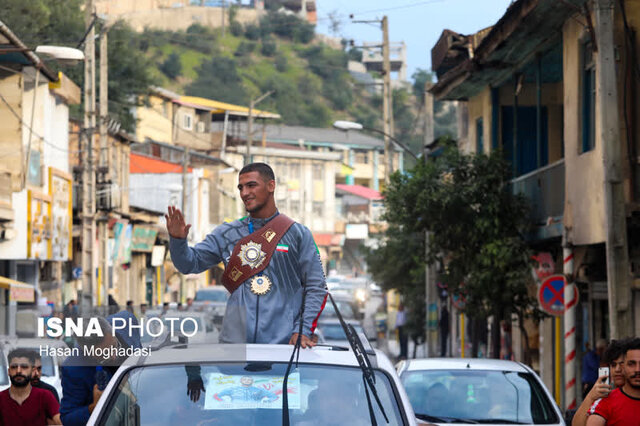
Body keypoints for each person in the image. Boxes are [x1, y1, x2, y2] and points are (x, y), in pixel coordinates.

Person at [167, 163, 327, 347]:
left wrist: (302, 330)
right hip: (234, 349)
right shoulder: (227, 233)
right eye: (240, 188)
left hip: (284, 349)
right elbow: (189, 264)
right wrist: (177, 241)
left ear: (271, 186)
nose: (244, 193)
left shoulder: (298, 234)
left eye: (251, 185)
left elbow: (317, 287)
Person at [60, 311, 142, 426]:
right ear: (87, 352)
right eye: (105, 355)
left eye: (114, 346)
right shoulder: (74, 369)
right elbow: (67, 418)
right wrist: (93, 407)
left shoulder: (126, 321)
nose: (114, 356)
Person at [572, 338, 629, 426]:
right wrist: (590, 397)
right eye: (613, 365)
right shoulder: (604, 397)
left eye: (622, 364)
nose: (617, 369)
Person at [586, 337, 640, 426]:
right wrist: (590, 397)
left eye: (620, 364)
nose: (637, 369)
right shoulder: (606, 401)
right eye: (632, 364)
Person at [0, 348, 61, 425]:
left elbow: (60, 421)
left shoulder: (45, 396)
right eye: (14, 367)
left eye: (24, 367)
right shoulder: (1, 399)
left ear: (32, 370)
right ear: (9, 371)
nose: (18, 371)